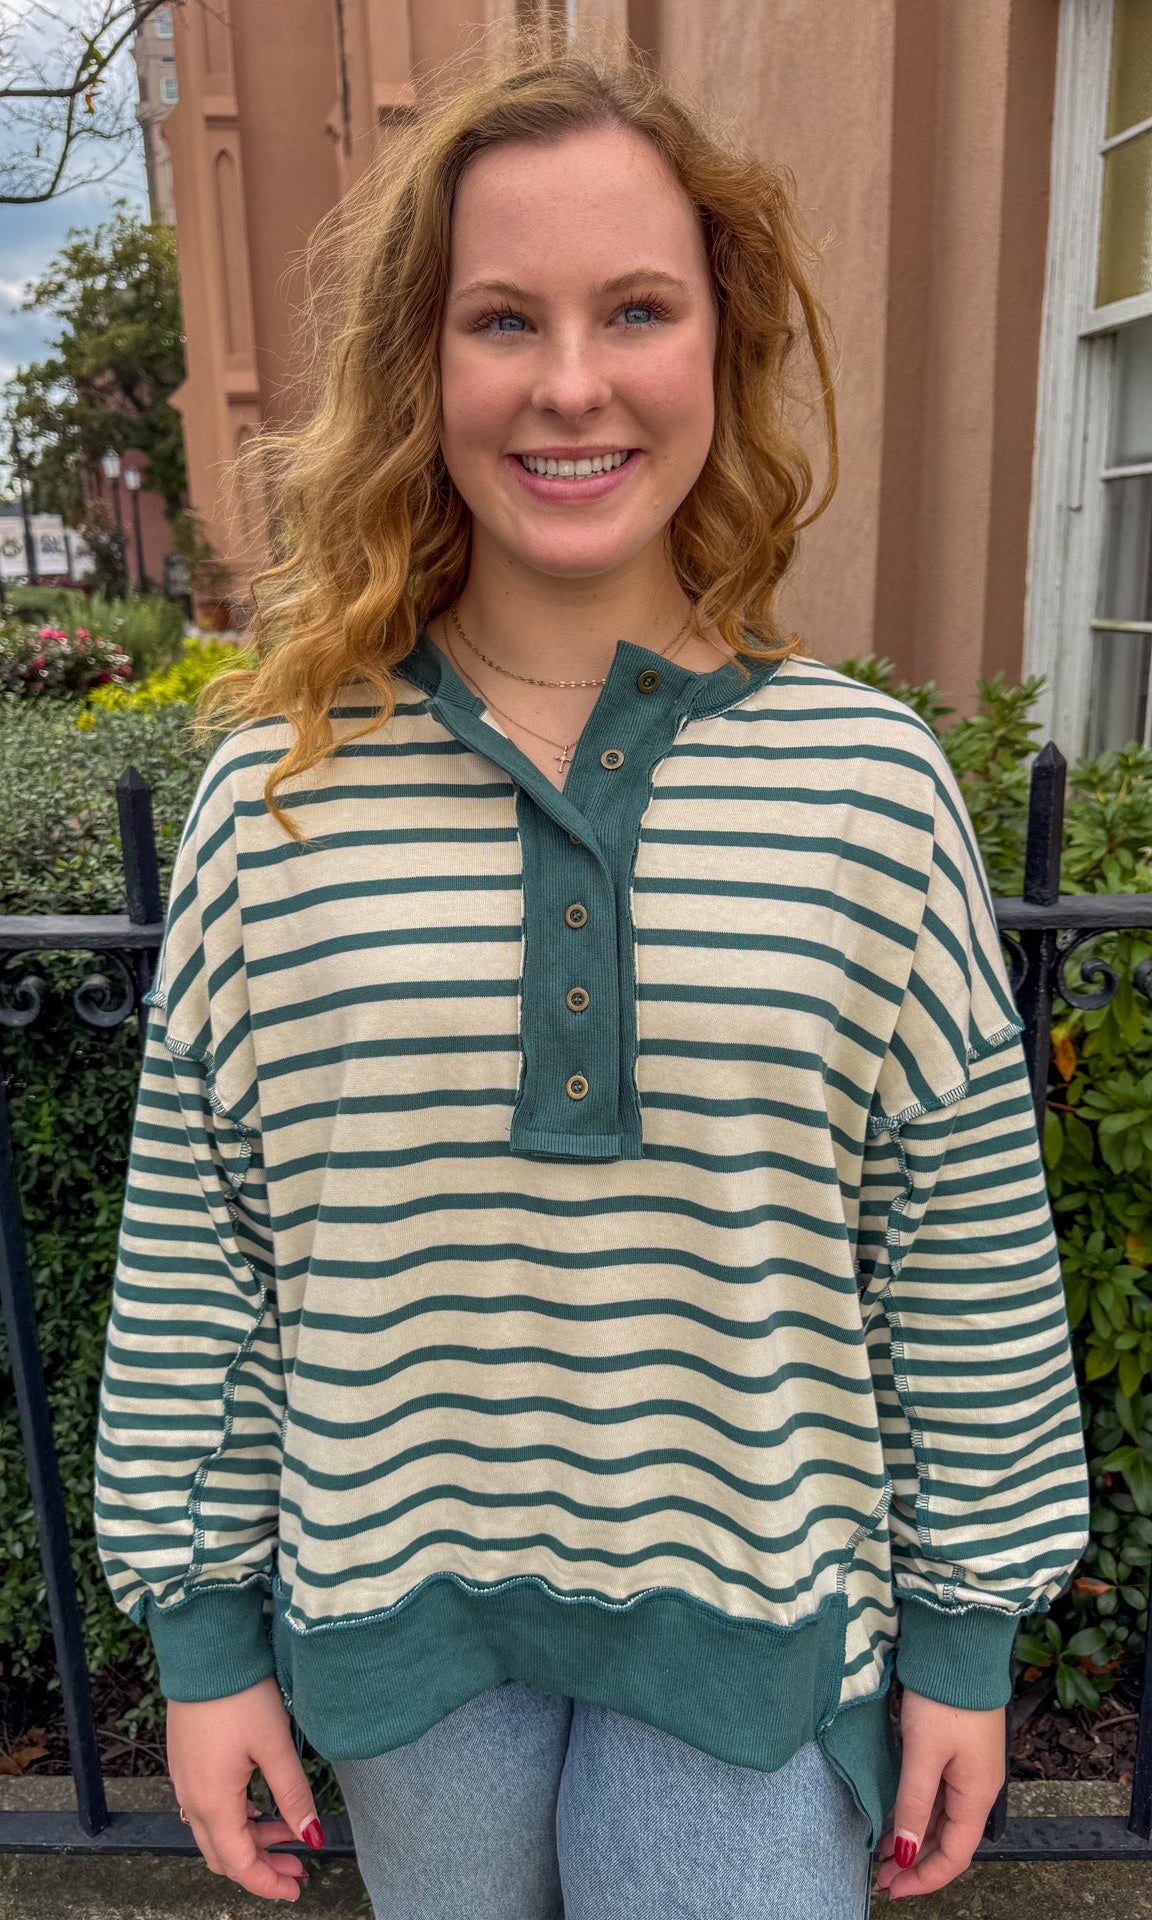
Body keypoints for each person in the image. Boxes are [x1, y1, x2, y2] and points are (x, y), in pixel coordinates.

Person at [93, 19, 1091, 1918]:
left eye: (636, 308)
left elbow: (958, 1246)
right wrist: (204, 1639)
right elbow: (201, 1252)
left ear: (721, 344)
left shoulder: (868, 787)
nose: (572, 387)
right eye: (501, 321)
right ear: (422, 363)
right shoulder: (274, 801)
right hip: (399, 1635)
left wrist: (968, 1641)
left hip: (761, 1634)